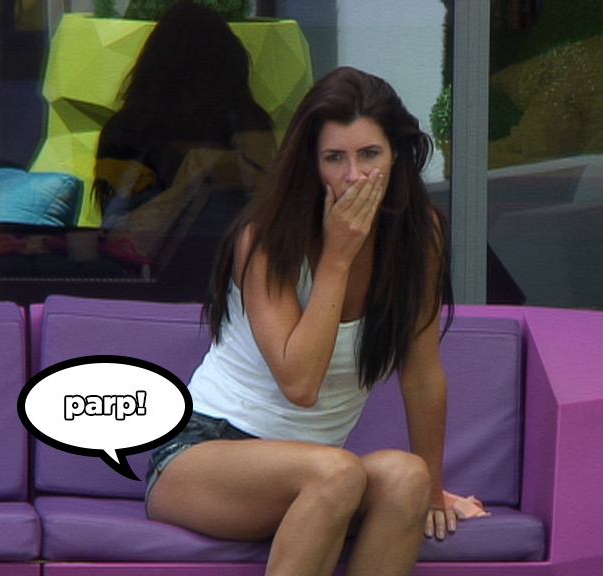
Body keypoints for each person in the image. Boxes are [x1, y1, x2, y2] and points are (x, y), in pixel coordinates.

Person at [145, 66, 457, 575]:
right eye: (335, 158)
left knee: (407, 478)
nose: (354, 176)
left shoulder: (420, 238)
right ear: (312, 165)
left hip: (317, 475)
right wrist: (337, 258)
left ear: (396, 155)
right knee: (335, 473)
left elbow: (422, 376)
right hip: (204, 452)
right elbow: (300, 384)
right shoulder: (268, 238)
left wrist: (436, 495)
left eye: (369, 154)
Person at [93, 0, 276, 300]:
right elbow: (117, 240)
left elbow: (277, 218)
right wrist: (192, 177)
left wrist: (245, 174)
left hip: (234, 289)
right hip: (172, 290)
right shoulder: (129, 132)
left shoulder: (246, 125)